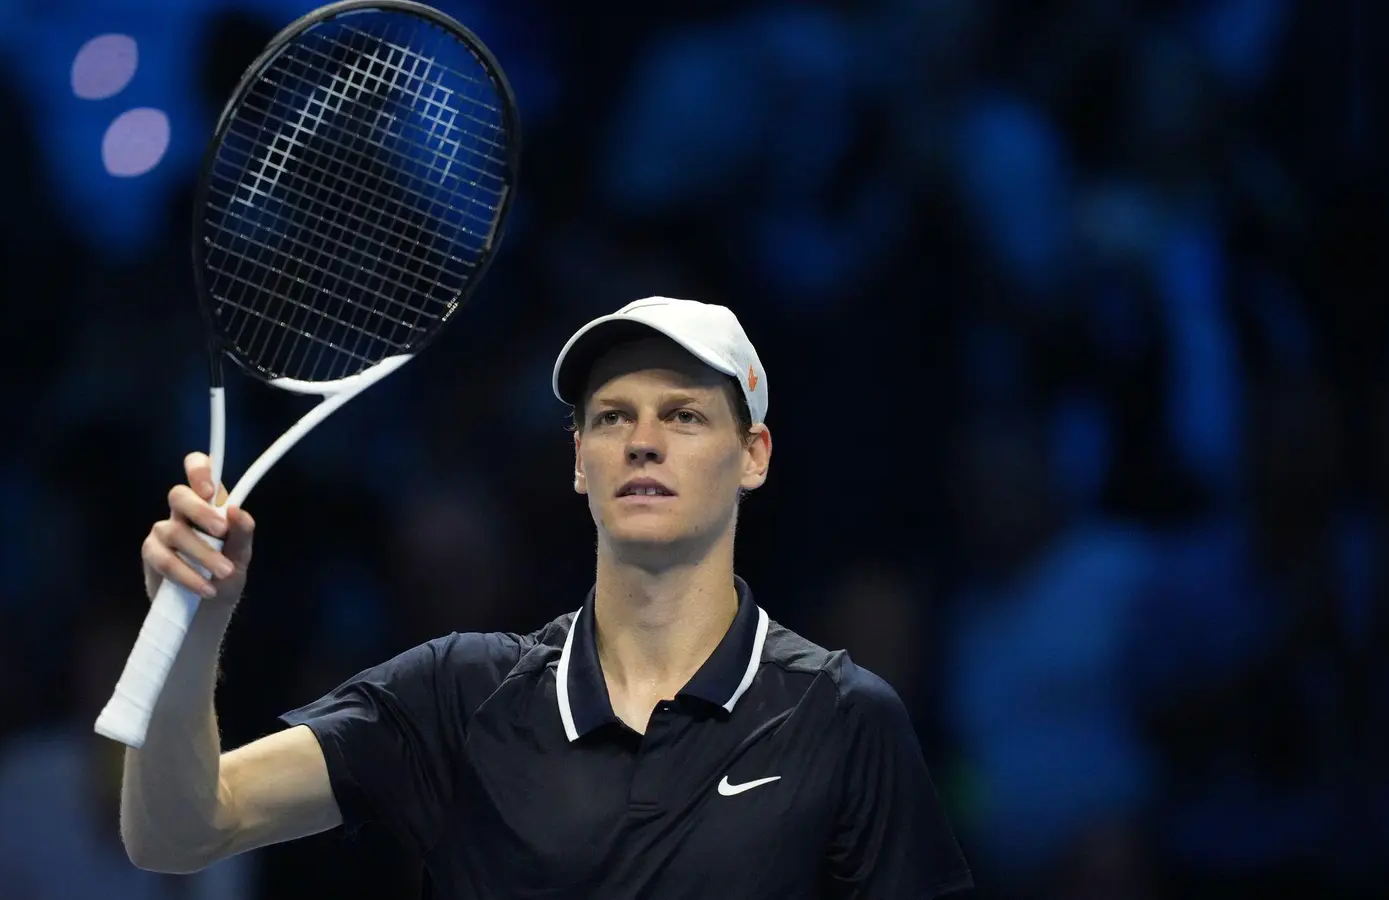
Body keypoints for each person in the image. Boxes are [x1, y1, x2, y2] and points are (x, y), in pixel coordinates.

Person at [121, 297, 975, 898]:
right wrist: (198, 624)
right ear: (577, 461)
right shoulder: (459, 695)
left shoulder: (843, 718)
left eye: (683, 416)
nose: (642, 441)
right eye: (610, 417)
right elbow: (179, 832)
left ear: (753, 455)